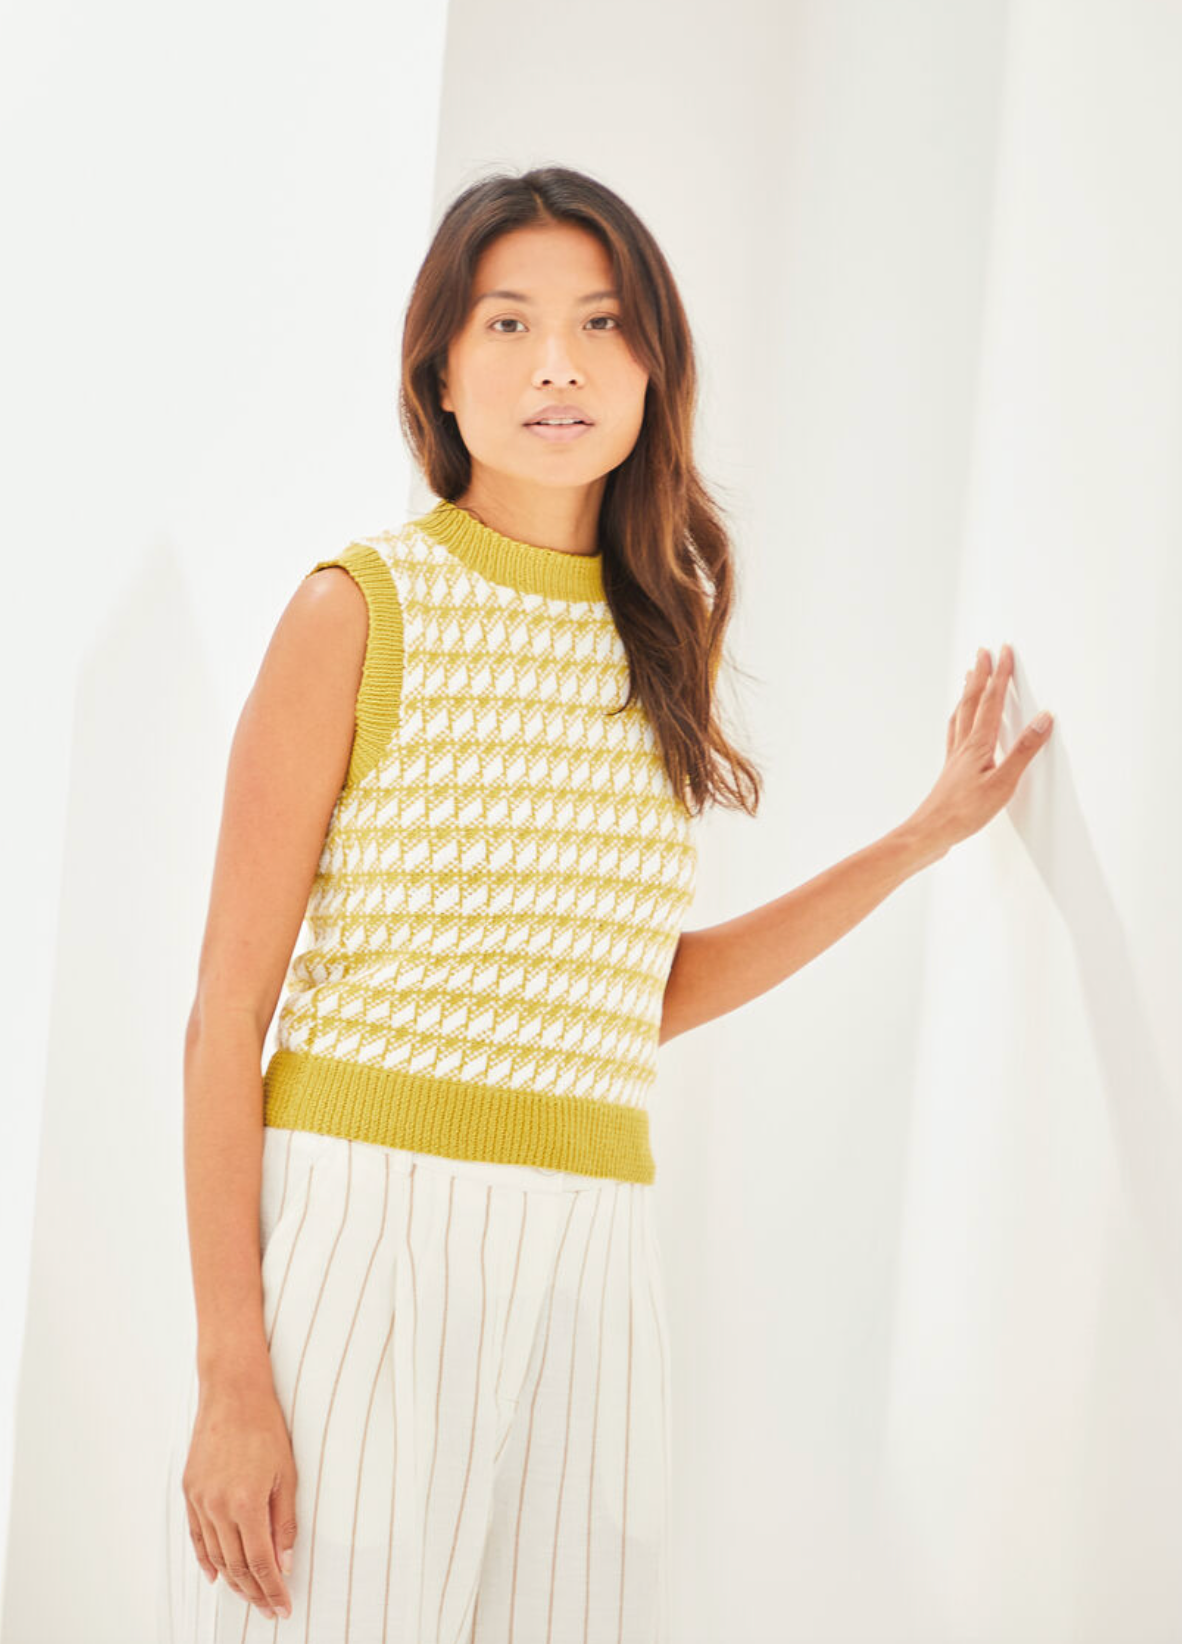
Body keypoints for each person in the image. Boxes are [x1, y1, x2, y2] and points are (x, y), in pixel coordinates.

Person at [157, 165, 1054, 1644]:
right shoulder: (357, 610)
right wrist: (231, 1375)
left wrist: (920, 838)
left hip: (595, 1254)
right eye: (508, 323)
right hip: (365, 1234)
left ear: (652, 367)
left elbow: (631, 993)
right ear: (440, 372)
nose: (558, 365)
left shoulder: (661, 642)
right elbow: (225, 1016)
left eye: (601, 322)